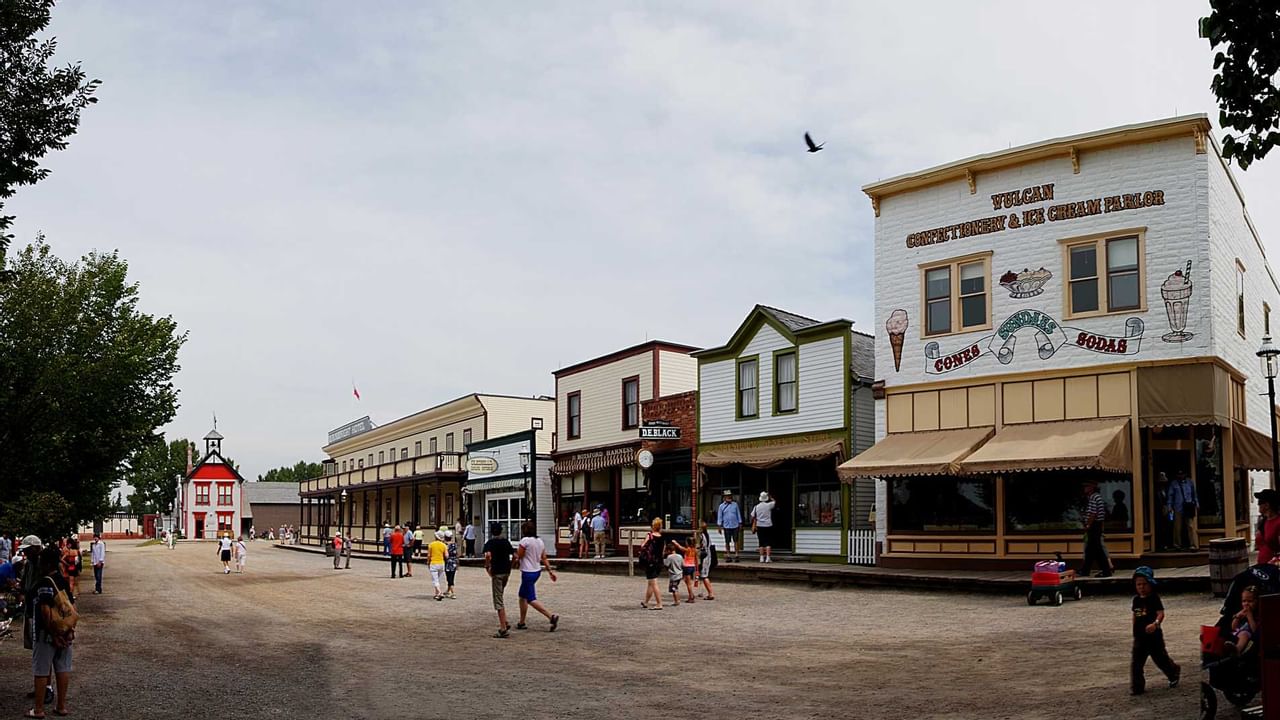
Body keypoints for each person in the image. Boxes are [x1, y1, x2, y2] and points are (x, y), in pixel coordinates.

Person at [29, 545, 74, 719]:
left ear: (46, 563)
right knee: (62, 668)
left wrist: (53, 634)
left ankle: (38, 709)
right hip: (64, 631)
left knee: (41, 670)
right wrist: (68, 630)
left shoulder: (44, 583)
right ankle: (61, 706)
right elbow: (71, 607)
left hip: (46, 634)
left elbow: (46, 611)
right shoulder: (62, 580)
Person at [1129, 566, 1179, 695]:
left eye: (1144, 584)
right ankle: (1137, 687)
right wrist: (1134, 629)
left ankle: (1173, 672)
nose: (1141, 587)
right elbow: (1135, 614)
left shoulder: (1154, 598)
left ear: (1150, 584)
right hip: (1140, 636)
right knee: (1136, 663)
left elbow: (1161, 613)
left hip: (1154, 636)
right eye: (1138, 584)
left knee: (1160, 659)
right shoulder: (1136, 600)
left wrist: (1155, 624)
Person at [514, 521, 559, 631]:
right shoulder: (540, 541)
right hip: (536, 570)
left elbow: (519, 556)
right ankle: (522, 621)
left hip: (527, 572)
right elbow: (544, 557)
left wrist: (514, 556)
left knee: (530, 599)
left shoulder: (525, 541)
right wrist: (550, 571)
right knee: (522, 596)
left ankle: (551, 616)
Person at [484, 523, 516, 638]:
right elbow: (515, 556)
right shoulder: (506, 542)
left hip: (497, 572)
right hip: (506, 571)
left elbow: (488, 555)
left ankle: (503, 628)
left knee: (498, 599)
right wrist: (511, 566)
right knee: (500, 594)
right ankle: (505, 621)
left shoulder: (490, 543)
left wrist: (487, 566)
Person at [1080, 481, 1113, 578]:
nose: (1084, 488)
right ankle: (1085, 570)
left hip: (1094, 526)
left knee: (1097, 549)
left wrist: (1088, 525)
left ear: (1092, 487)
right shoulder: (1095, 497)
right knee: (1090, 549)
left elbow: (1093, 513)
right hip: (1096, 526)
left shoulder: (1094, 497)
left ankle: (1106, 571)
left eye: (1086, 486)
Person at [1168, 468, 1199, 550]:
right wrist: (1169, 506)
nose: (1181, 476)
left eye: (1182, 474)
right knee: (1177, 527)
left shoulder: (1190, 482)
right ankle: (1177, 545)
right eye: (1179, 474)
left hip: (1188, 507)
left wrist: (1196, 504)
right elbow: (1170, 496)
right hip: (1178, 507)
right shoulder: (1174, 484)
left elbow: (1194, 494)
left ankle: (1192, 544)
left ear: (1185, 474)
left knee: (1190, 526)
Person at [1226, 585, 1259, 656]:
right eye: (1244, 601)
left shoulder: (1257, 614)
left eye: (1250, 601)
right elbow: (1233, 627)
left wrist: (1250, 616)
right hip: (1237, 632)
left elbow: (1255, 630)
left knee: (1244, 634)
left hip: (1250, 636)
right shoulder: (1242, 612)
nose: (1246, 604)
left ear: (1256, 601)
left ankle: (1237, 649)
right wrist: (1237, 616)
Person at [639, 518, 664, 610]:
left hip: (651, 561)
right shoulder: (662, 537)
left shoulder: (650, 536)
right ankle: (646, 602)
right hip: (659, 561)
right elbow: (662, 550)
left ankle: (659, 603)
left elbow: (643, 546)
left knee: (654, 583)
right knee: (650, 582)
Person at [751, 491, 777, 563]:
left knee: (761, 542)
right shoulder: (769, 505)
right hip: (768, 525)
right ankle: (768, 557)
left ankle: (761, 558)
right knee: (768, 541)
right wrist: (771, 497)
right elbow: (774, 502)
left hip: (759, 525)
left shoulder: (756, 507)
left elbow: (752, 516)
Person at [1256, 489, 1280, 564]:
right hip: (1262, 566)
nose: (1258, 505)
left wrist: (1275, 561)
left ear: (1267, 505)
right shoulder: (1264, 521)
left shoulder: (1278, 522)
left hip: (1274, 569)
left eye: (1260, 502)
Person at [717, 491, 742, 563]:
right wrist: (719, 526)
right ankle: (728, 555)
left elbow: (738, 514)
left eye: (730, 496)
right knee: (727, 541)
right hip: (726, 526)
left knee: (736, 541)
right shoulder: (721, 506)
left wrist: (740, 523)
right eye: (727, 496)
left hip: (735, 525)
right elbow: (720, 517)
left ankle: (737, 555)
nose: (729, 497)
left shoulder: (735, 505)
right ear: (724, 497)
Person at [673, 537, 697, 603]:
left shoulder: (688, 549)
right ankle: (691, 594)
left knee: (688, 583)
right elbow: (696, 559)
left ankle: (691, 596)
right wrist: (697, 569)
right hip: (692, 566)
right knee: (686, 581)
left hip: (687, 567)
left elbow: (680, 547)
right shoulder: (695, 550)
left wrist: (675, 543)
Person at [696, 521, 716, 600]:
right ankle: (702, 591)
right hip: (708, 556)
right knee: (702, 575)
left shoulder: (702, 536)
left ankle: (711, 593)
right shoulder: (707, 535)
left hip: (705, 557)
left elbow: (699, 546)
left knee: (704, 576)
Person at [427, 531, 448, 600]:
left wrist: (428, 562)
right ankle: (436, 594)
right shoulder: (444, 545)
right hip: (441, 563)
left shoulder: (431, 544)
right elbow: (446, 556)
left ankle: (439, 593)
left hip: (434, 563)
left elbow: (429, 555)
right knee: (438, 579)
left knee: (435, 580)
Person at [444, 529, 459, 599]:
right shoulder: (454, 545)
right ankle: (448, 590)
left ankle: (453, 593)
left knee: (449, 578)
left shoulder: (445, 545)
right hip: (454, 562)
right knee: (451, 576)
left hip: (448, 563)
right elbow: (457, 554)